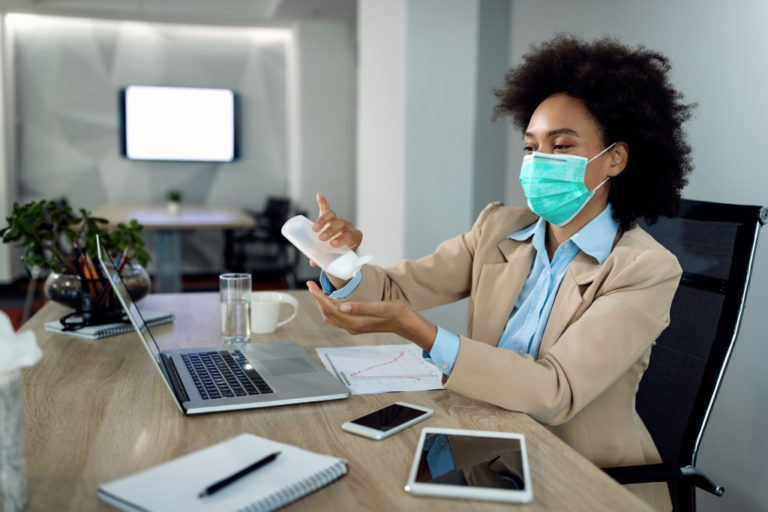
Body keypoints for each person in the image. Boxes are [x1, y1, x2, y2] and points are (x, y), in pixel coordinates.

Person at [306, 35, 694, 510]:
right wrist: (338, 259)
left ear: (615, 158)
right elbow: (394, 289)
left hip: (585, 478)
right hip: (488, 448)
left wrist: (423, 333)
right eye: (531, 147)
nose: (539, 162)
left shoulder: (645, 269)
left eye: (561, 145)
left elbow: (554, 390)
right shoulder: (498, 228)